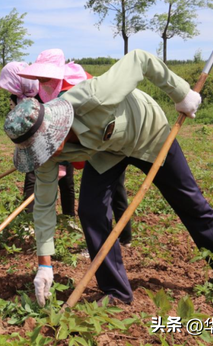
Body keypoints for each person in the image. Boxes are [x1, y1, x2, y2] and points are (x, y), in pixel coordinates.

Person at [3, 49, 213, 306]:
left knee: (190, 202)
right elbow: (45, 206)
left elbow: (140, 58)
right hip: (107, 152)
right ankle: (116, 290)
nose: (43, 155)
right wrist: (44, 265)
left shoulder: (94, 95)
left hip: (149, 133)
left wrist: (181, 93)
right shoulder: (47, 156)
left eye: (43, 148)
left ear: (55, 130)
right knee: (91, 212)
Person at [17, 49, 132, 244]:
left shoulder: (75, 88)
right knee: (106, 194)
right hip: (89, 145)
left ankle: (116, 239)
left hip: (108, 140)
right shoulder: (52, 88)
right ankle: (118, 239)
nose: (40, 80)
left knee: (104, 195)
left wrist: (60, 160)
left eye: (44, 77)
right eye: (39, 77)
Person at [0, 62, 75, 216]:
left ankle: (68, 217)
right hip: (34, 146)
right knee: (32, 179)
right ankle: (30, 219)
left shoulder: (45, 93)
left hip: (60, 143)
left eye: (10, 85)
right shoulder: (17, 98)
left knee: (66, 181)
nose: (9, 90)